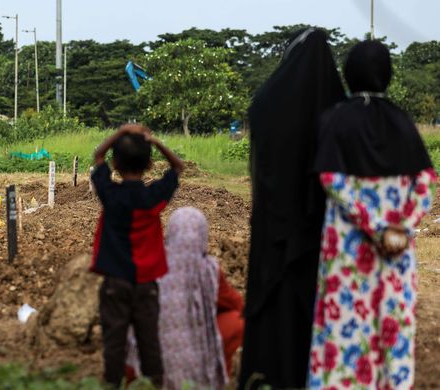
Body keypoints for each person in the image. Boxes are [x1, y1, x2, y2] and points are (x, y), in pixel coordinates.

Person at [307, 41, 436, 389]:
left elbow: (332, 179)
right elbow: (426, 184)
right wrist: (401, 229)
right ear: (388, 75)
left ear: (348, 74)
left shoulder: (335, 119)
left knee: (345, 334)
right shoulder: (403, 121)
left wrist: (373, 227)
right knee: (392, 332)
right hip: (396, 253)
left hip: (349, 256)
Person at [239, 28, 346, 389]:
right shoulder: (336, 107)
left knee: (275, 314)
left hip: (274, 228)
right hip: (320, 232)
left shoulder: (269, 102)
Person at [90, 123, 183, 387]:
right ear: (149, 165)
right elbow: (177, 168)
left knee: (114, 342)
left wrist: (120, 133)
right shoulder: (154, 196)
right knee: (149, 342)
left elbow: (97, 156)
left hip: (115, 280)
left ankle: (112, 383)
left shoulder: (110, 194)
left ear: (115, 164)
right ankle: (154, 383)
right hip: (146, 283)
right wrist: (155, 141)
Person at [125, 207, 243, 389]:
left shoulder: (150, 261)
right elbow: (236, 304)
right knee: (237, 321)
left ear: (170, 232)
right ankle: (214, 381)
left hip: (146, 359)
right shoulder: (207, 270)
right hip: (195, 356)